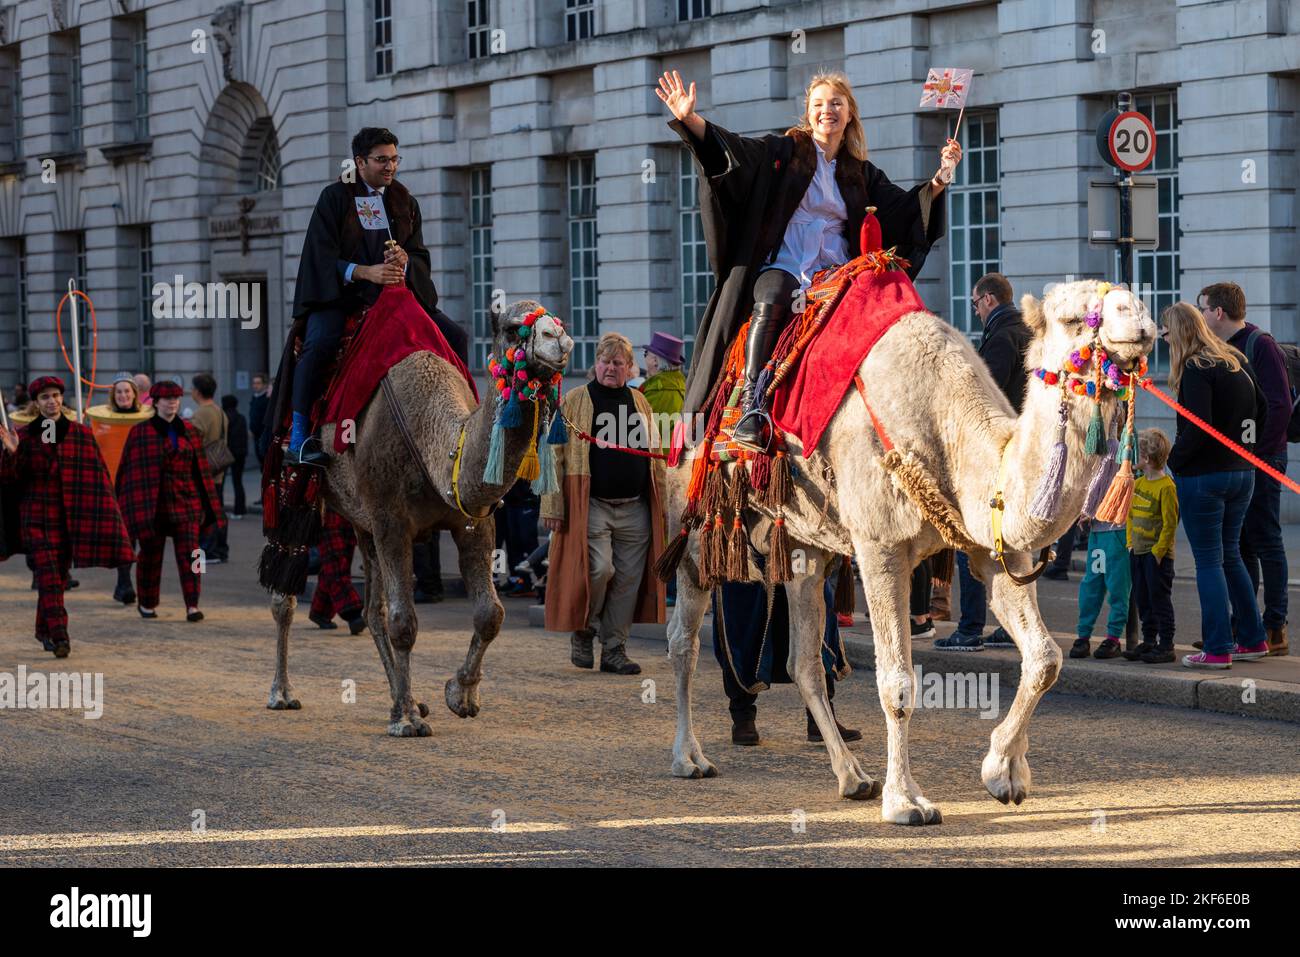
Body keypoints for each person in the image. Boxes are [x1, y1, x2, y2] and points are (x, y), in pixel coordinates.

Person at [657, 68, 954, 449]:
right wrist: (691, 119)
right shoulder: (784, 153)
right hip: (784, 263)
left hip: (834, 270)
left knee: (880, 298)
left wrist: (941, 178)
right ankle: (753, 402)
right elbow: (735, 153)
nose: (826, 110)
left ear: (849, 115)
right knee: (774, 292)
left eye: (835, 103)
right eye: (818, 104)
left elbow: (904, 210)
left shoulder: (860, 173)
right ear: (808, 112)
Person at [282, 126, 468, 465]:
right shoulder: (335, 198)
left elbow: (419, 253)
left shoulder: (404, 201)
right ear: (359, 161)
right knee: (320, 342)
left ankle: (458, 423)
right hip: (343, 296)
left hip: (394, 297)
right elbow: (319, 257)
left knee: (456, 336)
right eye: (382, 160)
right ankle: (299, 438)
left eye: (395, 159)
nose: (391, 167)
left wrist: (406, 260)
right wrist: (365, 272)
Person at [543, 332, 666, 676]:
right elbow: (552, 454)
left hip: (636, 508)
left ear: (629, 368)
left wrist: (663, 503)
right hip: (593, 505)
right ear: (595, 364)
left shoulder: (641, 402)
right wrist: (552, 504)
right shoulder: (574, 400)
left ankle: (614, 649)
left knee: (628, 580)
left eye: (618, 363)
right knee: (599, 570)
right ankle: (585, 628)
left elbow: (655, 453)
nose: (610, 368)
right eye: (605, 361)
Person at [1162, 302, 1270, 669]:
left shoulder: (1196, 367)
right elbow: (1263, 408)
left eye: (1166, 333)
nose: (1164, 340)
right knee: (1231, 556)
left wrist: (1172, 462)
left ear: (1178, 333)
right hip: (1243, 472)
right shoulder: (1234, 359)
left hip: (1204, 477)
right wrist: (1246, 447)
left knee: (1209, 561)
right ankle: (1253, 639)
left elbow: (1198, 426)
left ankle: (1218, 647)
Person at [0, 376, 134, 657]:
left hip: (67, 519)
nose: (52, 401)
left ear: (62, 398)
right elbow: (10, 480)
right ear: (36, 403)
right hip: (35, 518)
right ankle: (61, 636)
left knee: (57, 578)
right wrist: (12, 453)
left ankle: (43, 630)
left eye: (56, 395)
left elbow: (97, 480)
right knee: (48, 576)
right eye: (45, 397)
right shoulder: (23, 437)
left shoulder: (80, 434)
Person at [937, 272, 1030, 651]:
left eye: (976, 303)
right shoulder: (1025, 332)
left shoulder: (1002, 337)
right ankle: (1013, 626)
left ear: (988, 299)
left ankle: (970, 627)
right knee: (1011, 544)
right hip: (1020, 447)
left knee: (969, 539)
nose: (975, 310)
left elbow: (980, 395)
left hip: (992, 453)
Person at [1199, 282, 1290, 656]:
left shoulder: (1259, 345)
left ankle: (1275, 625)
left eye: (1202, 308)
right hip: (1235, 463)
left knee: (1265, 539)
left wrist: (1255, 454)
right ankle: (1243, 627)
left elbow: (1279, 405)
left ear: (1218, 312)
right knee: (1240, 546)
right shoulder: (1216, 350)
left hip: (1262, 461)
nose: (1200, 314)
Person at [116, 380, 222, 622]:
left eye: (176, 398)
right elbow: (128, 471)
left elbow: (201, 472)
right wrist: (125, 506)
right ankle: (147, 602)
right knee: (149, 557)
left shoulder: (191, 431)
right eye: (167, 398)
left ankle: (193, 604)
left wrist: (209, 506)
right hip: (153, 505)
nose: (173, 402)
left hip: (186, 503)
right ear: (155, 402)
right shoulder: (140, 432)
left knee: (194, 556)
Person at [1123, 428, 1179, 663]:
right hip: (1137, 551)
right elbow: (1130, 516)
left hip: (1156, 556)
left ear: (1146, 458)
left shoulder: (1166, 487)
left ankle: (1166, 645)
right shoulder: (1139, 484)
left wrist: (1159, 551)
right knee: (1143, 598)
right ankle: (1149, 640)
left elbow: (1170, 523)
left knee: (1159, 599)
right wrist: (1129, 543)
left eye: (1138, 453)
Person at [190, 374, 230, 563]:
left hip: (204, 468)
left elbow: (192, 439)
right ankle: (221, 549)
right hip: (218, 466)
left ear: (197, 391)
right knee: (217, 509)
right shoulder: (219, 411)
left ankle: (209, 550)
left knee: (206, 512)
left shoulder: (201, 413)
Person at [308, 509, 367, 634]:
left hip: (347, 511)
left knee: (337, 562)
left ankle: (320, 611)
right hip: (324, 511)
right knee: (336, 563)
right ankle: (353, 614)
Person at [220, 394, 249, 518]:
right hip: (240, 453)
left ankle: (219, 510)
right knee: (238, 482)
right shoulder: (241, 418)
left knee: (220, 482)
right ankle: (240, 510)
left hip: (226, 452)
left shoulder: (223, 417)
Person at [248, 373, 270, 469]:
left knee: (264, 458)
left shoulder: (267, 399)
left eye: (258, 383)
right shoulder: (254, 397)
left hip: (264, 434)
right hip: (256, 434)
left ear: (264, 384)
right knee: (259, 458)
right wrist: (251, 429)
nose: (255, 385)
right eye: (254, 383)